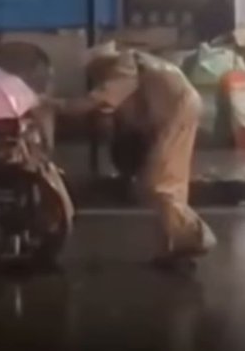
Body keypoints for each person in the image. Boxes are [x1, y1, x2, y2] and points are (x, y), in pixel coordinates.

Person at [47, 42, 217, 270]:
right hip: (175, 112)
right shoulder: (140, 63)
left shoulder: (123, 66)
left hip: (176, 113)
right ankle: (171, 246)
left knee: (158, 184)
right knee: (168, 182)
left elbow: (102, 99)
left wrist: (57, 105)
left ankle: (195, 237)